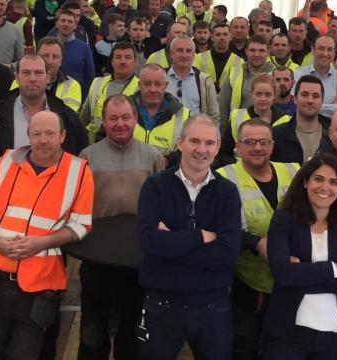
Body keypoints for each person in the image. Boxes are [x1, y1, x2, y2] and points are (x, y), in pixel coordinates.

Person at [0, 109, 93, 359]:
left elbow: (81, 224)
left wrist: (42, 243)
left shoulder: (79, 171)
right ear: (28, 136)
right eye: (36, 134)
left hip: (40, 282)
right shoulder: (6, 161)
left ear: (63, 136)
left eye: (50, 133)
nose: (43, 140)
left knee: (26, 353)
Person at [136, 115, 242, 359]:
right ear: (180, 143)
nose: (201, 150)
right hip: (161, 305)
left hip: (213, 307)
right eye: (194, 141)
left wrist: (171, 244)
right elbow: (149, 243)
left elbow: (227, 254)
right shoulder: (154, 186)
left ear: (218, 147)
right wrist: (202, 236)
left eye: (209, 143)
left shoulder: (227, 192)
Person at [76, 94, 163, 359]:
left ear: (136, 118)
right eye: (113, 118)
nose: (120, 123)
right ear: (103, 121)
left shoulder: (152, 156)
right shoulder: (87, 156)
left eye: (126, 117)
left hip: (138, 260)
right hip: (96, 259)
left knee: (133, 328)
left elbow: (162, 205)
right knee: (93, 328)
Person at [262, 153, 337, 359]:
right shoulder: (284, 219)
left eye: (333, 182)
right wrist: (332, 269)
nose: (325, 187)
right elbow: (281, 273)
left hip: (336, 334)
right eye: (318, 179)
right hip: (288, 334)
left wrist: (300, 273)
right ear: (305, 182)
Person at [217, 119, 299, 360]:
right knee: (245, 344)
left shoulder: (293, 171)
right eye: (249, 142)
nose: (257, 148)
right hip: (248, 283)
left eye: (264, 142)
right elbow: (220, 228)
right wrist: (257, 243)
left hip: (291, 280)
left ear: (272, 145)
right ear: (237, 146)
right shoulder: (223, 178)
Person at [0, 55, 87, 158]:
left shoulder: (68, 117)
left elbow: (79, 157)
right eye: (26, 73)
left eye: (39, 73)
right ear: (17, 77)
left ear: (48, 77)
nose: (32, 79)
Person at [81, 42, 139, 142]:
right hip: (96, 146)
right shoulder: (97, 83)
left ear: (135, 62)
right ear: (112, 61)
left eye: (128, 57)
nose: (123, 61)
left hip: (126, 147)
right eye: (118, 57)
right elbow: (83, 121)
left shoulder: (141, 88)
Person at [271, 75, 332, 164]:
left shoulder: (333, 132)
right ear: (295, 99)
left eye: (315, 96)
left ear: (322, 101)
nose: (310, 100)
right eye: (304, 95)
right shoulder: (276, 135)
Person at [219, 36, 275, 126]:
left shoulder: (276, 76)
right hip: (238, 128)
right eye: (252, 50)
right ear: (246, 51)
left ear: (268, 52)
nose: (257, 54)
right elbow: (222, 109)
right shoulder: (233, 74)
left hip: (270, 129)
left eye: (261, 51)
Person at [293, 36, 337, 119]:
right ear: (313, 50)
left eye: (330, 50)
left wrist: (311, 107)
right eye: (321, 49)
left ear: (334, 53)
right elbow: (295, 105)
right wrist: (332, 106)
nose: (325, 54)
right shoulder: (298, 75)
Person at [54, 10, 96, 97]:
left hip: (75, 98)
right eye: (63, 20)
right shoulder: (47, 45)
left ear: (75, 26)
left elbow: (89, 77)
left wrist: (83, 99)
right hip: (50, 97)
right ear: (57, 24)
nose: (66, 24)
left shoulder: (84, 48)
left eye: (70, 21)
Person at [193, 23, 244, 91]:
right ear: (212, 37)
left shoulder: (239, 61)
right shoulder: (199, 58)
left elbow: (237, 84)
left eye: (225, 34)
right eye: (218, 34)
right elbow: (195, 80)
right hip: (205, 97)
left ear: (230, 37)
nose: (222, 37)